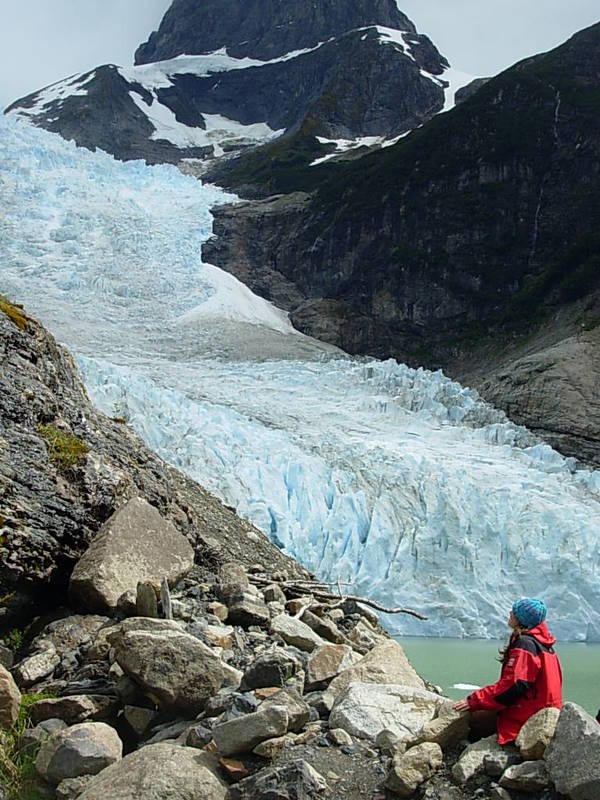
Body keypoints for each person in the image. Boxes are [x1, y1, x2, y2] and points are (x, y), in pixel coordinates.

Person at [453, 598, 562, 745]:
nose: (510, 613)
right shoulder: (545, 646)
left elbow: (514, 685)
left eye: (514, 612)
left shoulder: (526, 645)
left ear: (521, 619)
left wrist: (475, 700)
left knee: (470, 721)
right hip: (543, 717)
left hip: (525, 719)